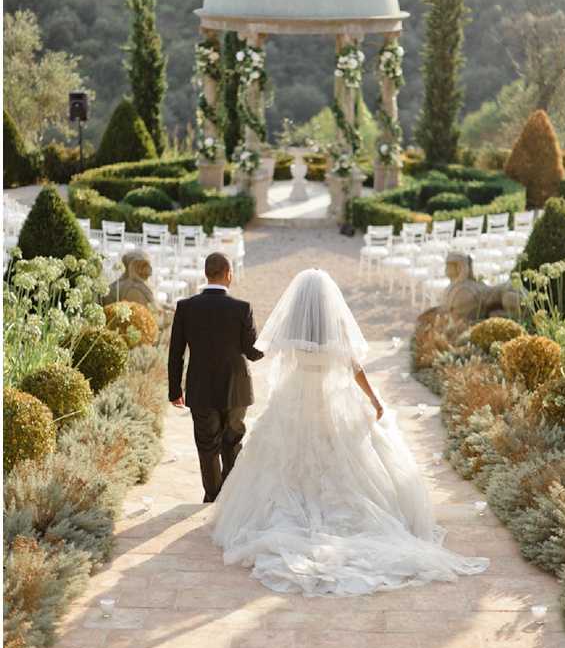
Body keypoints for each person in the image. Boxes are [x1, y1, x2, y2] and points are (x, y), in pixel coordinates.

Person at [211, 268, 489, 596]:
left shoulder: (293, 324)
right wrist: (372, 398)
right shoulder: (336, 325)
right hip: (331, 400)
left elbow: (283, 363)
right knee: (343, 458)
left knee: (287, 458)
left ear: (299, 300)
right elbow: (354, 367)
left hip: (296, 396)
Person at [167, 252, 263, 502]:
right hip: (236, 389)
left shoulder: (186, 307)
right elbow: (253, 353)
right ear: (228, 274)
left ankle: (212, 497)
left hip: (201, 389)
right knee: (232, 442)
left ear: (206, 274)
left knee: (207, 447)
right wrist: (268, 340)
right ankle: (229, 499)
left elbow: (175, 352)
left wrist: (174, 390)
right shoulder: (242, 308)